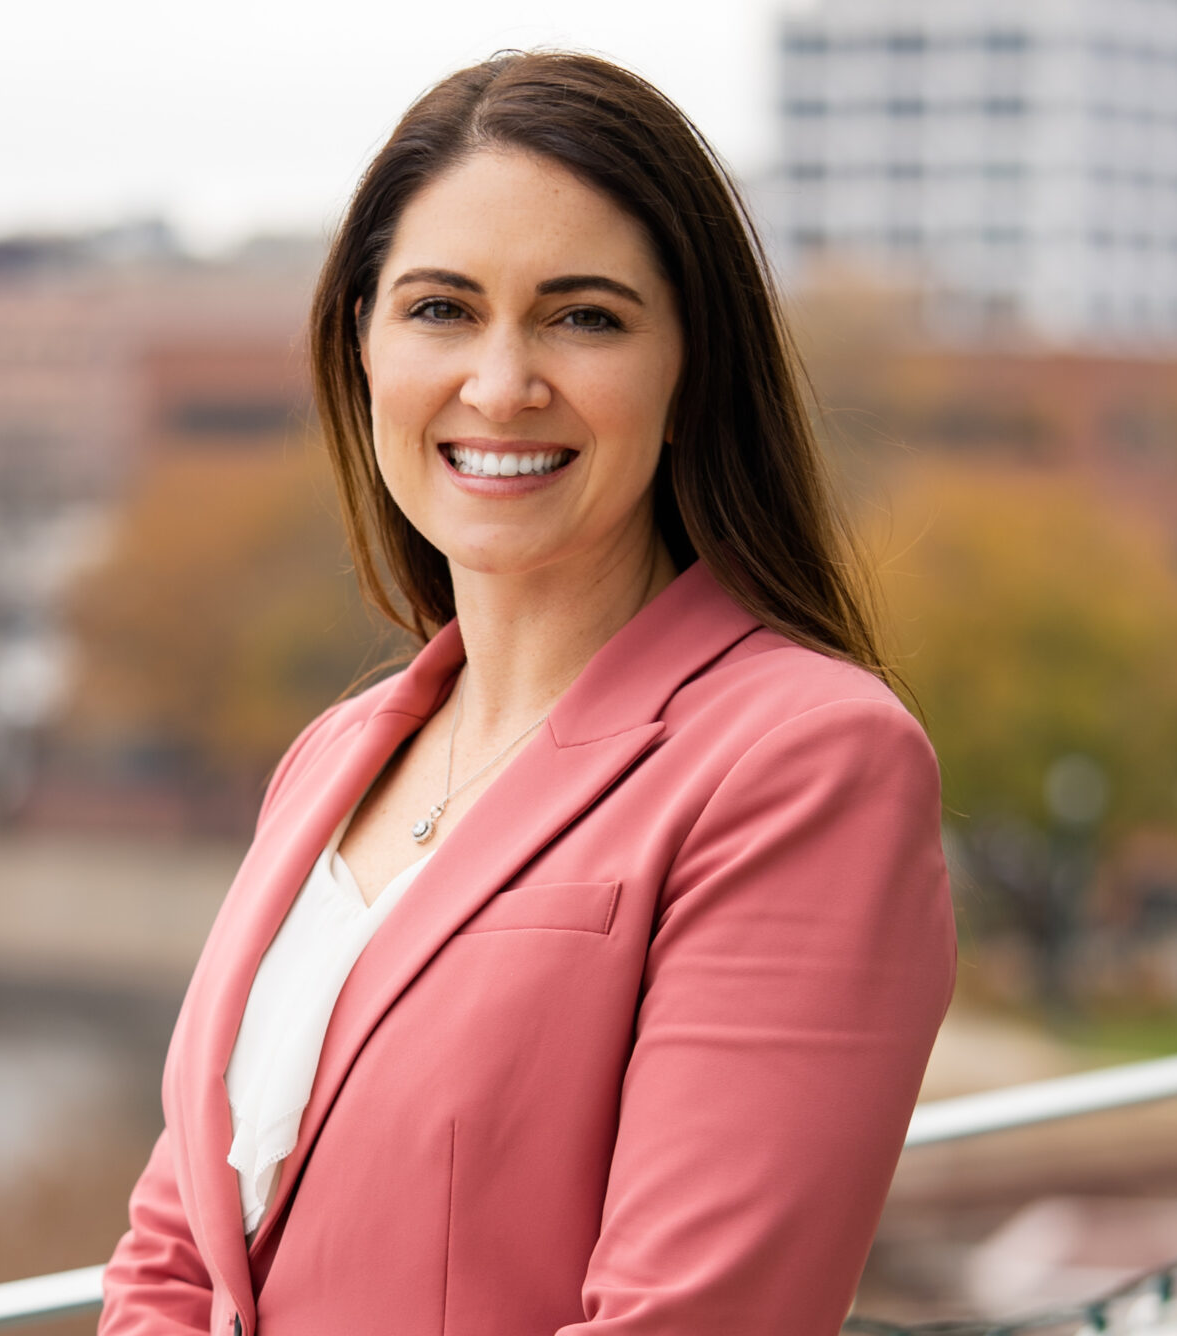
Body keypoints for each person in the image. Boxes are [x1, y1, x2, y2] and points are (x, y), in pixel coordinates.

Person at [100, 50, 955, 1336]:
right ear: (364, 345)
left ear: (692, 376)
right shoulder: (335, 754)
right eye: (441, 309)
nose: (501, 385)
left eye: (585, 316)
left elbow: (693, 1321)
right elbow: (174, 1258)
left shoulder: (807, 761)